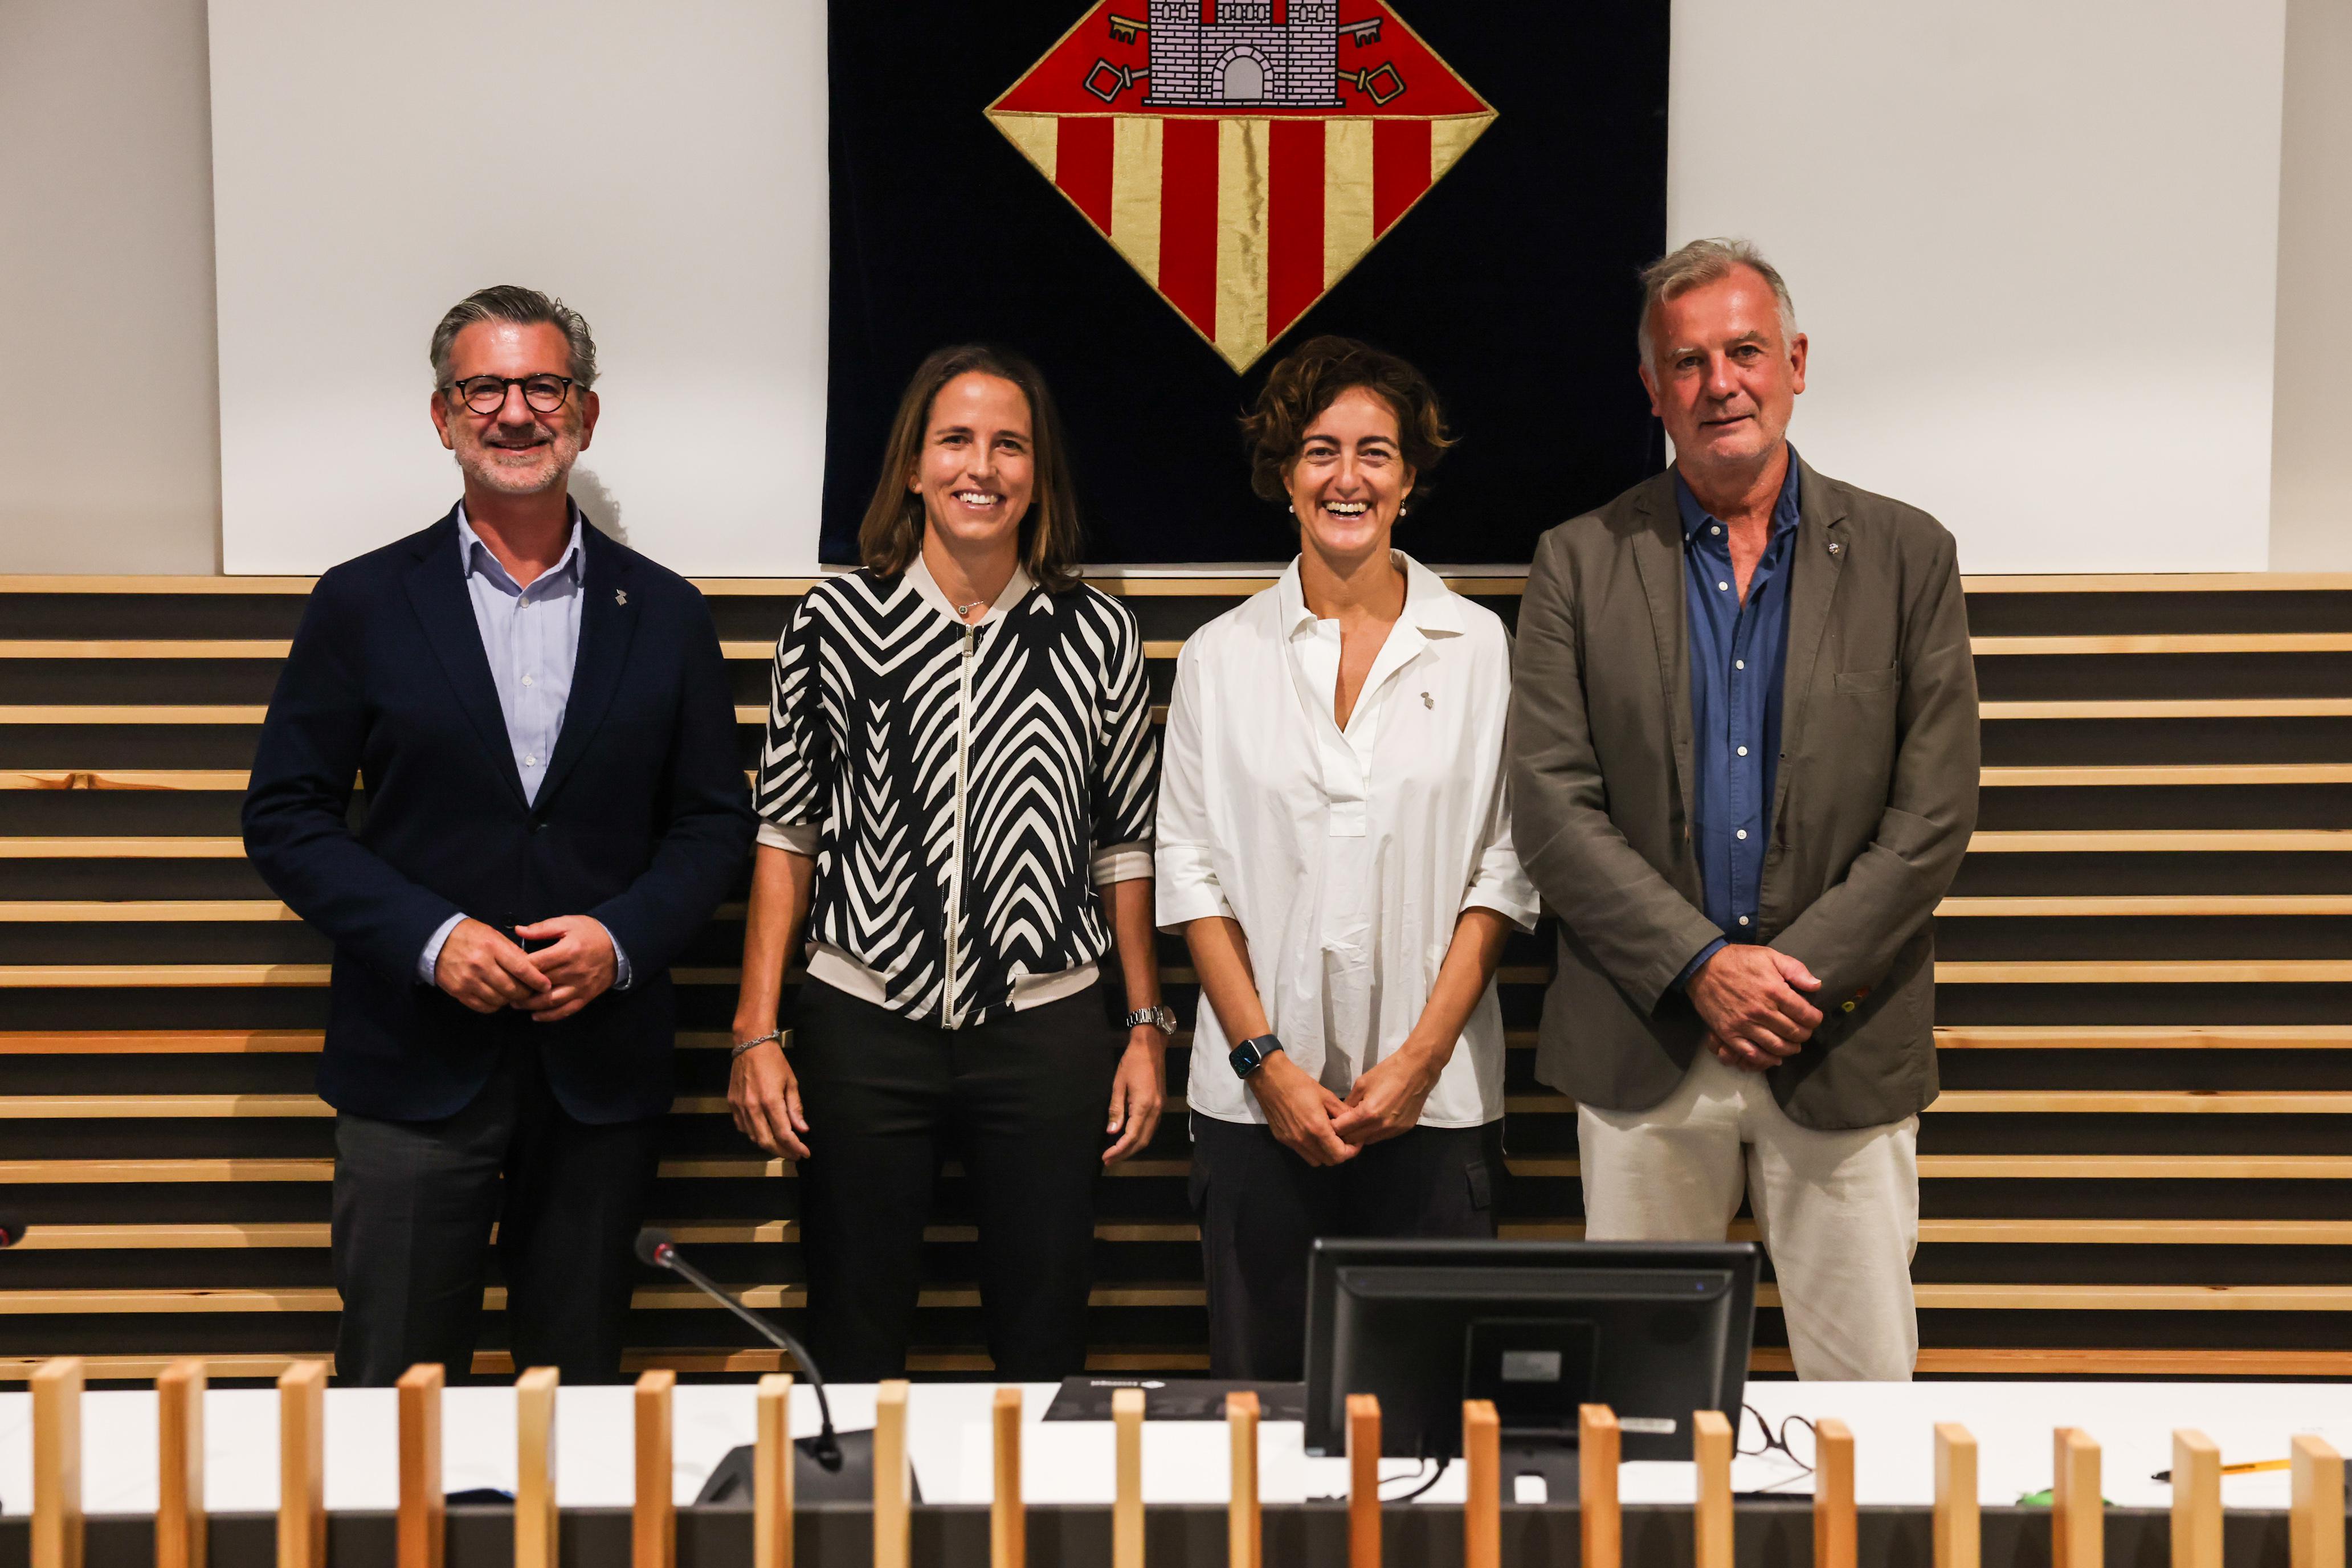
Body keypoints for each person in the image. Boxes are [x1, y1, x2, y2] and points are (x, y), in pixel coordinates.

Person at [242, 285, 755, 1382]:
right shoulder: (363, 601)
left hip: (597, 1076)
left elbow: (714, 826)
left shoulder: (666, 614)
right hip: (412, 1069)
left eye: (543, 387)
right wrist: (433, 938)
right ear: (443, 415)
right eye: (486, 388)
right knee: (391, 1397)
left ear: (587, 413)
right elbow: (285, 815)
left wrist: (620, 941)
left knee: (575, 1399)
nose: (515, 413)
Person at [1509, 240, 1981, 1381]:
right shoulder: (1576, 563)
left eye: (1744, 351)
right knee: (1641, 1411)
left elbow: (1933, 811)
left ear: (1795, 362)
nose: (1719, 381)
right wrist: (1703, 966)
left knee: (1862, 1408)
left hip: (1842, 1038)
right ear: (1654, 389)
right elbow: (1551, 807)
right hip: (1644, 1040)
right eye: (1688, 361)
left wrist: (1789, 974)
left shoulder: (1909, 556)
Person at [728, 344, 1166, 1381]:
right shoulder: (831, 622)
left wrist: (1144, 1027)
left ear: (1037, 472)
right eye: (956, 440)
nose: (984, 465)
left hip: (1047, 1028)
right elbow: (786, 835)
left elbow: (1126, 848)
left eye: (1009, 444)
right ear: (915, 467)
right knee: (853, 1331)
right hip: (863, 1022)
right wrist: (755, 1028)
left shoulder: (1097, 632)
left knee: (1045, 1334)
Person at [1155, 336, 1540, 1379]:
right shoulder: (1219, 658)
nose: (1348, 477)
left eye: (1376, 452)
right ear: (1285, 475)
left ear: (1410, 479)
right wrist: (1265, 1067)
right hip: (1253, 1113)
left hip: (1437, 1105)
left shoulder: (1479, 649)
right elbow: (1191, 878)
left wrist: (1417, 1063)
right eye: (1320, 450)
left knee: (1434, 1428)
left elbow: (1503, 871)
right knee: (1264, 1425)